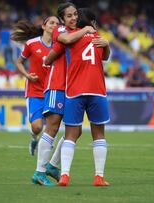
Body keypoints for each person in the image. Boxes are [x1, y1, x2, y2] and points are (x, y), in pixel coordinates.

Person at [46, 8, 111, 187]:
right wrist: (106, 44)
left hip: (75, 91)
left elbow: (53, 53)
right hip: (97, 90)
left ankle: (64, 175)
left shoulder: (69, 38)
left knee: (71, 135)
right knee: (98, 134)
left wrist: (48, 60)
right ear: (93, 23)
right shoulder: (98, 37)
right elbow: (105, 57)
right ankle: (99, 177)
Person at [38, 2, 97, 185]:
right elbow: (54, 52)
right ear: (62, 19)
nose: (73, 18)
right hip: (57, 85)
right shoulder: (60, 31)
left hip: (72, 88)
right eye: (69, 16)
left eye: (75, 15)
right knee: (53, 127)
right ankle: (39, 172)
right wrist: (87, 29)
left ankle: (53, 166)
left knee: (76, 130)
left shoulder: (78, 34)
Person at [11, 16, 61, 186]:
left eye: (57, 23)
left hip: (52, 91)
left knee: (52, 128)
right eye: (52, 23)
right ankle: (34, 138)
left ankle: (46, 166)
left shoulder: (60, 45)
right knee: (37, 127)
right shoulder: (32, 43)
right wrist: (26, 75)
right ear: (44, 26)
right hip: (34, 90)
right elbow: (19, 62)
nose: (55, 25)